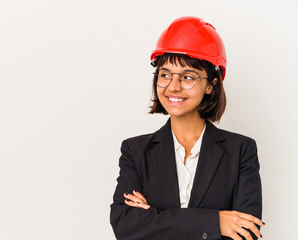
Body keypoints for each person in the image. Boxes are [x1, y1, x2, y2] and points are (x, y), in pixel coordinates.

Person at [109, 16, 264, 240]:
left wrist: (154, 217)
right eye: (165, 74)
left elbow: (247, 231)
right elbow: (126, 226)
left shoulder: (241, 151)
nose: (173, 86)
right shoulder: (135, 151)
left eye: (188, 77)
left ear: (211, 85)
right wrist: (215, 222)